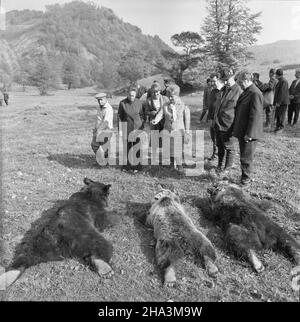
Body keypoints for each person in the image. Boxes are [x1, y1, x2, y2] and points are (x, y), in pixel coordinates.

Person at [233, 70, 263, 186]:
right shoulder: (247, 91)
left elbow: (255, 116)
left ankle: (246, 180)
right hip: (243, 131)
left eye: (240, 82)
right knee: (243, 156)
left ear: (246, 80)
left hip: (249, 133)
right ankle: (244, 177)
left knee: (246, 157)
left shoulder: (255, 93)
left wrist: (250, 134)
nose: (239, 84)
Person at [152, 84, 190, 173]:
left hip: (179, 130)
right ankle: (173, 165)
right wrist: (155, 120)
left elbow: (187, 120)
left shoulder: (183, 105)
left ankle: (180, 167)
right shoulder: (165, 105)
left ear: (177, 96)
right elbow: (160, 114)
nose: (171, 99)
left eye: (172, 97)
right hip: (168, 130)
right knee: (170, 149)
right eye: (169, 97)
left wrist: (187, 131)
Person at [214, 68, 243, 174]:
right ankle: (219, 165)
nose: (225, 82)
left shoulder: (238, 91)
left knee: (229, 148)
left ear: (233, 78)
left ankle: (227, 169)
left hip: (228, 125)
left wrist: (236, 127)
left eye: (227, 80)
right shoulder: (223, 90)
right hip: (218, 123)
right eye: (223, 80)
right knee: (220, 146)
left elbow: (240, 111)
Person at [118, 86, 146, 172]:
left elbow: (142, 115)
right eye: (130, 95)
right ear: (127, 95)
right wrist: (120, 130)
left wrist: (141, 126)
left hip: (137, 128)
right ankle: (127, 166)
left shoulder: (139, 103)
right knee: (127, 148)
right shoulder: (122, 103)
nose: (131, 97)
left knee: (137, 148)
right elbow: (119, 117)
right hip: (127, 128)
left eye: (133, 95)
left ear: (136, 95)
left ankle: (137, 167)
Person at [91, 93, 114, 164]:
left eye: (101, 100)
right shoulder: (99, 107)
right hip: (98, 130)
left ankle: (105, 162)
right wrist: (95, 129)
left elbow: (105, 122)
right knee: (94, 145)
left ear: (105, 99)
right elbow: (98, 120)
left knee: (105, 147)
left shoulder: (108, 109)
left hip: (106, 130)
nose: (100, 102)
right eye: (98, 100)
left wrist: (99, 130)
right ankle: (100, 160)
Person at [207, 73, 221, 160]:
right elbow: (211, 105)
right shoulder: (212, 91)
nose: (212, 83)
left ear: (219, 80)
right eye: (211, 81)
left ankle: (220, 154)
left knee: (219, 137)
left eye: (214, 81)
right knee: (213, 136)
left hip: (219, 118)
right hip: (211, 117)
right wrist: (209, 117)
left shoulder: (222, 91)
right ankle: (214, 154)